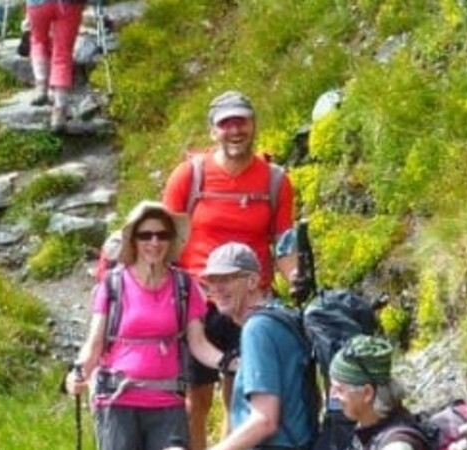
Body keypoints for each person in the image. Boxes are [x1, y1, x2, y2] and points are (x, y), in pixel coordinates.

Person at [163, 90, 298, 449]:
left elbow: (284, 242)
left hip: (252, 306)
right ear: (213, 131)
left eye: (242, 122)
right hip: (197, 301)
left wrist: (295, 278)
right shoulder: (188, 176)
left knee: (240, 397)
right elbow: (163, 239)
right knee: (195, 401)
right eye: (226, 123)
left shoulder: (275, 180)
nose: (235, 130)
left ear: (253, 125)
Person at [65, 201, 234, 450]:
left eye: (162, 235)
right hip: (117, 400)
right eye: (146, 235)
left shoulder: (185, 287)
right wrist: (78, 372)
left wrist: (229, 361)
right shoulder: (112, 285)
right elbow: (95, 343)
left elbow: (198, 343)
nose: (154, 242)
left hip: (167, 402)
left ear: (170, 240)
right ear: (133, 240)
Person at [201, 243, 316, 450]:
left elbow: (264, 420)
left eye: (226, 279)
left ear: (252, 281)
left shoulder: (257, 329)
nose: (217, 288)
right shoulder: (281, 316)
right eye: (211, 280)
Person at [329, 336, 428, 450]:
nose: (332, 397)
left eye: (339, 390)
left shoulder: (396, 446)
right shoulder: (371, 427)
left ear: (367, 393)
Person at [25, 0, 85, 130]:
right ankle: (59, 111)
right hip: (69, 4)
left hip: (38, 4)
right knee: (63, 54)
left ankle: (41, 85)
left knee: (38, 40)